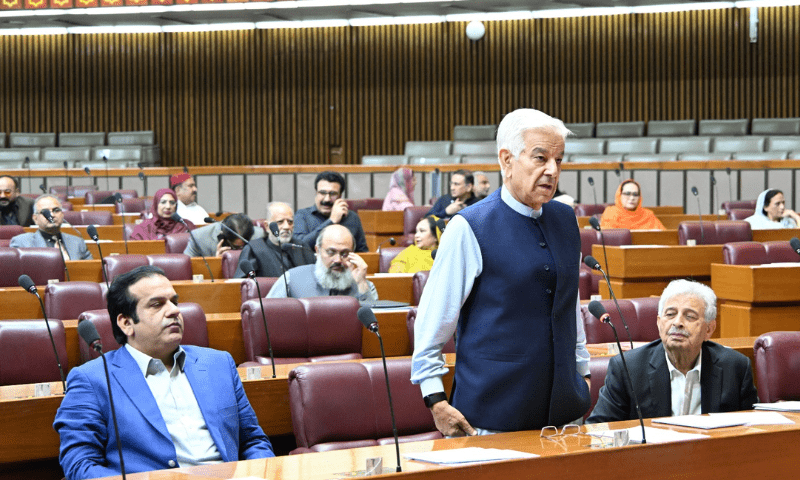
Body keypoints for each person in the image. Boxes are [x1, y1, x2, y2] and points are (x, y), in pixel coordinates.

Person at [411, 108, 591, 436]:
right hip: (491, 418)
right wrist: (435, 398)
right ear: (506, 160)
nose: (552, 170)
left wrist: (583, 372)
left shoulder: (566, 220)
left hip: (564, 416)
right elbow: (433, 322)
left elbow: (569, 303)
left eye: (559, 160)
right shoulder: (469, 227)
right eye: (540, 158)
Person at [53, 266, 274, 479]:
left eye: (174, 301)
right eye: (157, 305)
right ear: (126, 322)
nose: (175, 310)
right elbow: (80, 464)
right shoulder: (92, 379)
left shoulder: (219, 363)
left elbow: (253, 441)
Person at [586, 280, 758, 423]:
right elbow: (599, 428)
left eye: (689, 316)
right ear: (659, 323)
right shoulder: (628, 368)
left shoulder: (735, 368)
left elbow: (752, 429)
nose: (678, 323)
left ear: (709, 329)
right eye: (670, 314)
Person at [266, 224, 377, 302]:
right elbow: (265, 318)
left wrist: (361, 285)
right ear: (318, 251)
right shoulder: (291, 279)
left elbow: (376, 327)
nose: (338, 260)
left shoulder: (365, 285)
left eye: (344, 253)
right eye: (331, 252)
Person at [235, 202, 315, 278]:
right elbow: (241, 285)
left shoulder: (301, 247)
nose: (287, 227)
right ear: (267, 226)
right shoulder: (254, 249)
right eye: (280, 222)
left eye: (290, 222)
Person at [294, 171, 368, 252]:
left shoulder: (352, 217)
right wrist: (331, 221)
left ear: (340, 196)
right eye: (322, 193)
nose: (327, 199)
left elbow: (363, 252)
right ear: (316, 193)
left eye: (333, 194)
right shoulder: (302, 215)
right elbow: (299, 247)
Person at [9, 194, 92, 260]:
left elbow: (90, 270)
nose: (51, 215)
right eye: (45, 212)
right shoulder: (21, 243)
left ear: (62, 215)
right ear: (35, 218)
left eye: (56, 210)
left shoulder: (77, 242)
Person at [183, 213, 264, 258]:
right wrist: (216, 262)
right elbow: (187, 269)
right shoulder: (198, 237)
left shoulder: (259, 235)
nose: (239, 249)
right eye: (235, 246)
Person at [599, 179, 666, 230]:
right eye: (627, 194)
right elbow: (608, 239)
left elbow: (662, 236)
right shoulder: (610, 213)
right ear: (619, 195)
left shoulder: (648, 215)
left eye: (635, 194)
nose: (632, 198)